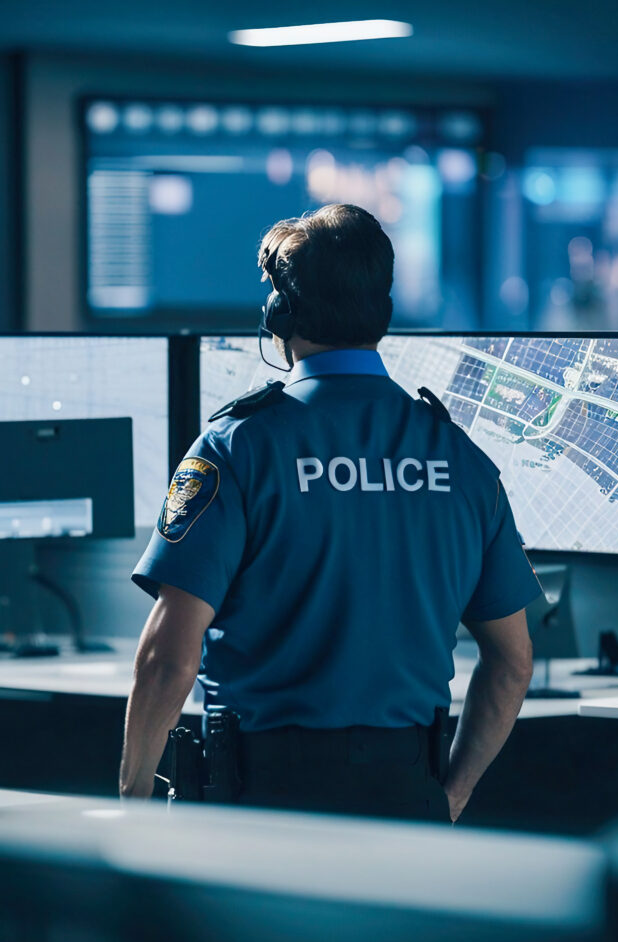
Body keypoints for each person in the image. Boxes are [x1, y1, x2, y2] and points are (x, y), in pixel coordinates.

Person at [120, 203, 540, 823]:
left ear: (280, 314)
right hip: (407, 798)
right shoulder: (461, 457)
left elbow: (168, 658)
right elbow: (511, 665)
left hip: (263, 807)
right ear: (382, 311)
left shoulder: (237, 447)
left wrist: (133, 798)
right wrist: (448, 796)